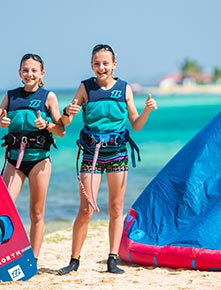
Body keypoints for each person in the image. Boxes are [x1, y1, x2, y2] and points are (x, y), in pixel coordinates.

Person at [58, 44, 157, 275]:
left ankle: (112, 259)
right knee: (86, 209)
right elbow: (66, 122)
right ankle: (74, 260)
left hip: (118, 154)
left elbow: (136, 125)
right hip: (91, 154)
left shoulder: (124, 89)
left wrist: (147, 110)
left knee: (115, 207)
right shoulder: (85, 88)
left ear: (114, 64)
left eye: (105, 63)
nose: (101, 67)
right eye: (97, 63)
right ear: (92, 65)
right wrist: (67, 111)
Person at [0, 53, 65, 262]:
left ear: (42, 74)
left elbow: (61, 131)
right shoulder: (11, 97)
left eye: (34, 70)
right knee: (4, 207)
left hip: (40, 161)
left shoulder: (49, 97)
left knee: (36, 213)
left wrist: (46, 125)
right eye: (25, 70)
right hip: (14, 161)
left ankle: (33, 259)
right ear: (20, 72)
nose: (30, 74)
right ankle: (5, 252)